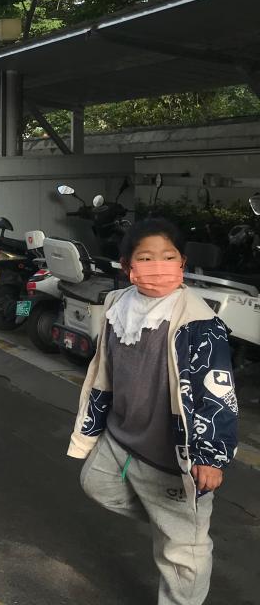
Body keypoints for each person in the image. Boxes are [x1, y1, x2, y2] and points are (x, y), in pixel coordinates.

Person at [68, 218, 237, 605]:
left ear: (183, 263)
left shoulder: (200, 323)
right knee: (95, 484)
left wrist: (211, 456)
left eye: (168, 256)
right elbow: (105, 371)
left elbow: (217, 391)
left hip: (172, 458)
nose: (157, 265)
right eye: (145, 258)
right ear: (128, 265)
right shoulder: (118, 305)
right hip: (122, 440)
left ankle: (183, 539)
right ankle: (174, 521)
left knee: (183, 559)